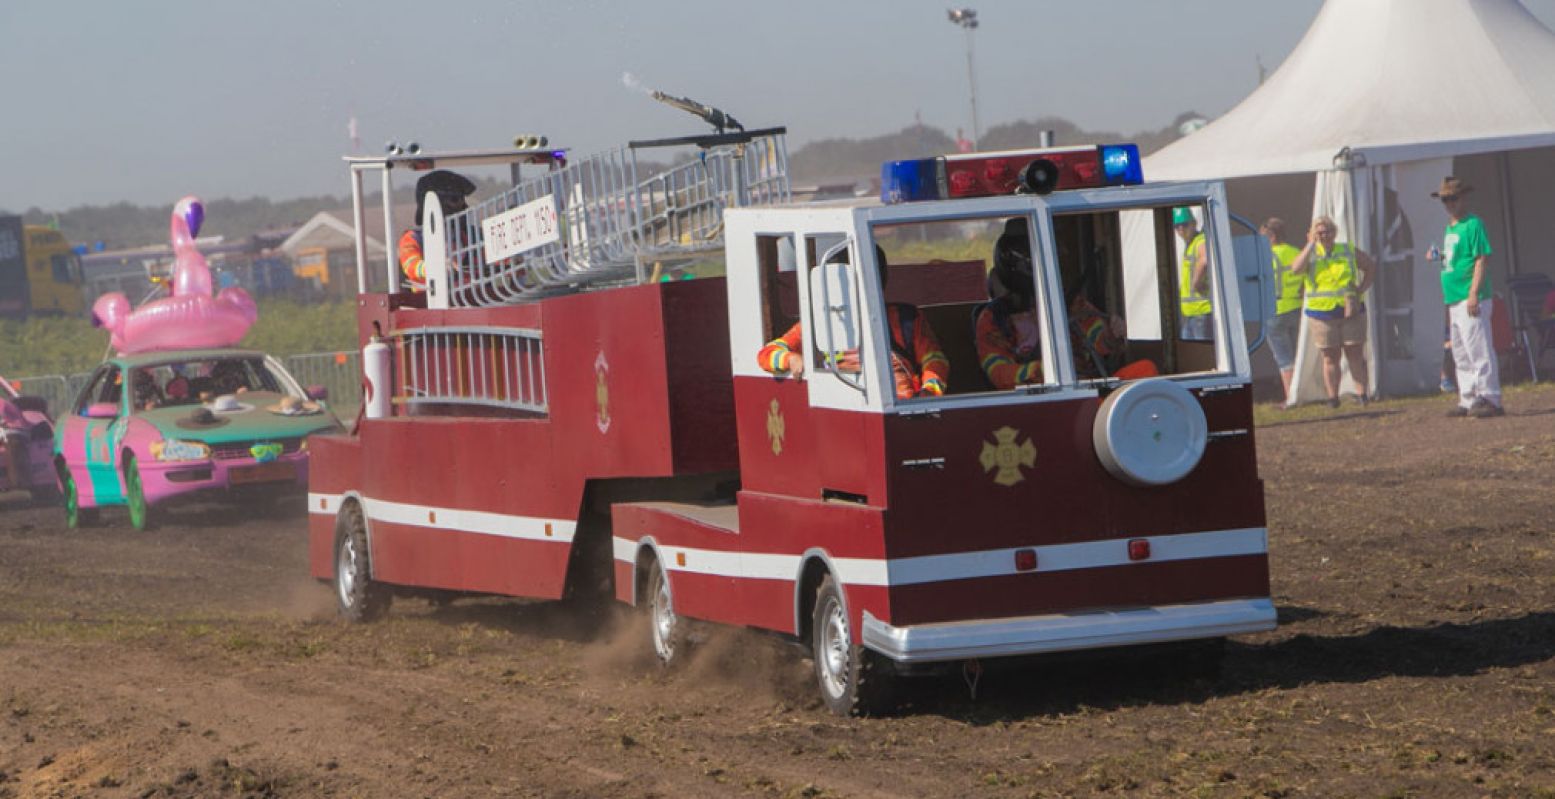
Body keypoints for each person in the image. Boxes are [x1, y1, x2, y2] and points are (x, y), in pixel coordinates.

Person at [757, 246, 949, 399]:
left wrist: (930, 392)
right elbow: (767, 354)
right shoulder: (820, 323)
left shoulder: (906, 318)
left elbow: (935, 360)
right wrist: (790, 359)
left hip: (905, 408)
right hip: (845, 409)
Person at [1431, 177, 1503, 418]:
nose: (1449, 203)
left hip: (1470, 296)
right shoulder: (1450, 228)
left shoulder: (1474, 224)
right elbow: (1453, 259)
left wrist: (1473, 292)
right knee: (1460, 350)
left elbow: (1481, 259)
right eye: (1445, 199)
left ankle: (1490, 396)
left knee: (1478, 347)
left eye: (1453, 198)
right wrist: (1438, 256)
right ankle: (1469, 396)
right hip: (1453, 297)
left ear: (1463, 198)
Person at [1290, 216, 1374, 408]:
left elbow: (1370, 265)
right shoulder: (1310, 253)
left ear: (1334, 233)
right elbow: (1295, 269)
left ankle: (1362, 394)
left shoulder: (1346, 250)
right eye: (1319, 232)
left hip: (1350, 310)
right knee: (1330, 356)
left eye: (1327, 231)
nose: (1323, 236)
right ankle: (1333, 397)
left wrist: (1361, 289)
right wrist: (1310, 245)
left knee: (1355, 353)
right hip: (1322, 313)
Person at [399, 170, 476, 292]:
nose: (465, 207)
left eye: (463, 200)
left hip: (466, 300)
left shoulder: (465, 236)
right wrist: (435, 267)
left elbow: (481, 263)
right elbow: (410, 266)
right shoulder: (412, 238)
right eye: (456, 200)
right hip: (424, 303)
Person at [1261, 217, 1303, 402]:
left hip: (1275, 311)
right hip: (1296, 308)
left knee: (1284, 359)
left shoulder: (1265, 256)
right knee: (1298, 354)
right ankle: (1305, 392)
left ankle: (1291, 397)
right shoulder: (1296, 252)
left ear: (1271, 236)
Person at [1174, 207, 1212, 339]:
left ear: (1194, 223)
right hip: (1191, 314)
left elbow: (1205, 259)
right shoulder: (1189, 245)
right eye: (1177, 226)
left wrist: (1196, 282)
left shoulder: (1200, 240)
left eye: (1184, 225)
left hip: (1201, 312)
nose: (1181, 230)